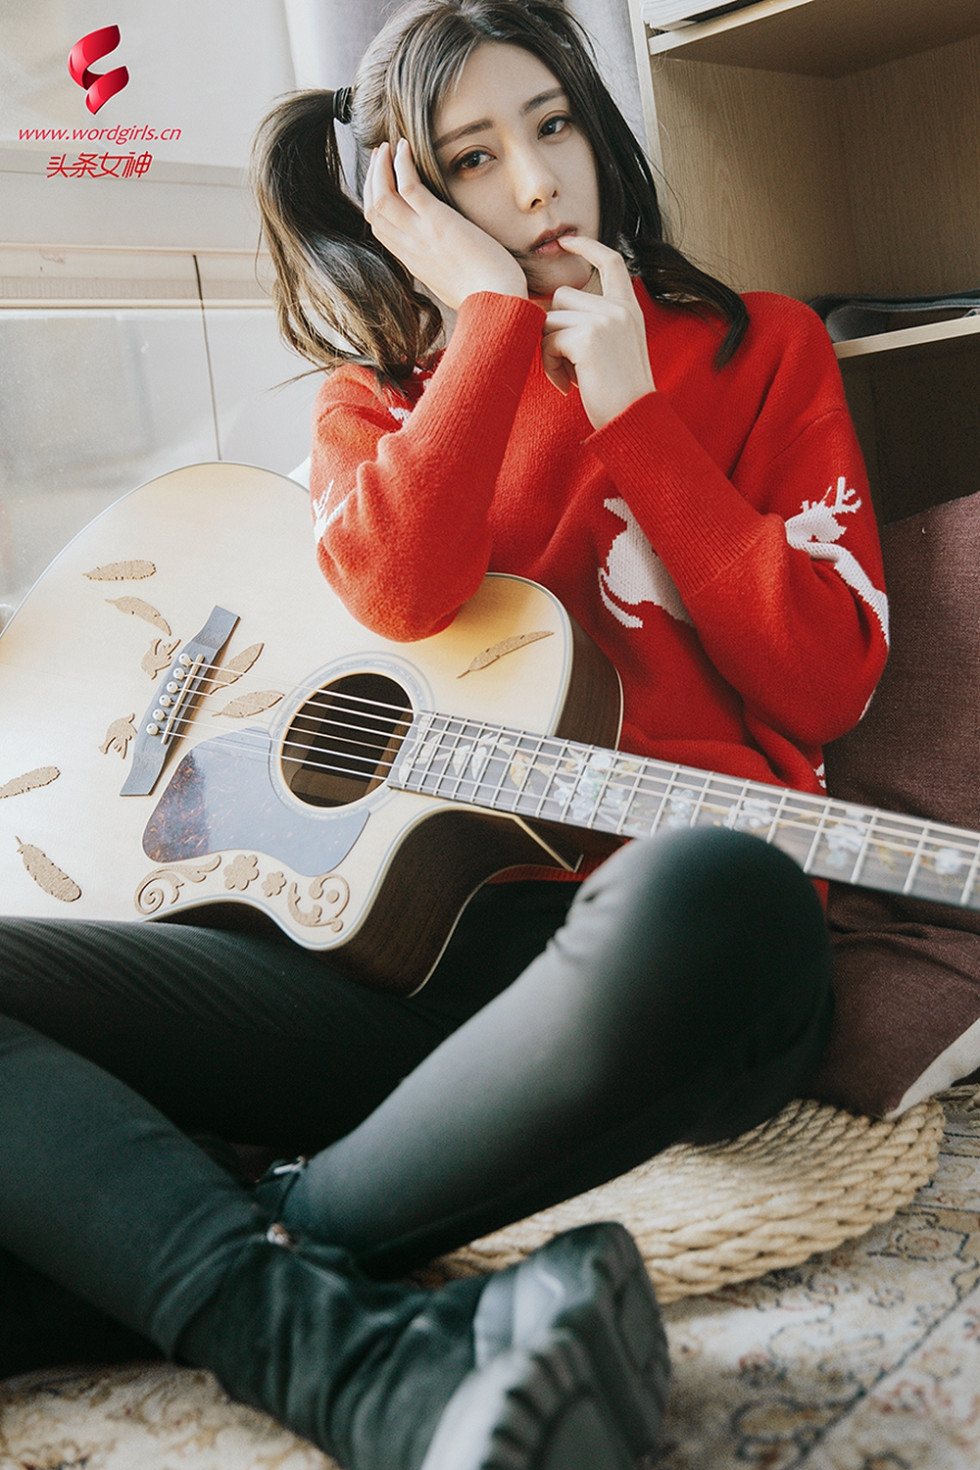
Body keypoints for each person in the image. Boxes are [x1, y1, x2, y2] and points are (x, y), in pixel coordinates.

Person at [0, 1, 888, 1466]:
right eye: (474, 160)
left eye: (551, 126)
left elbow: (829, 679)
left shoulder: (763, 348)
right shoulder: (380, 409)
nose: (537, 186)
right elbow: (401, 586)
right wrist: (485, 326)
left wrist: (634, 415)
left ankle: (219, 1228)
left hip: (646, 944)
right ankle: (313, 1331)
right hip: (375, 970)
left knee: (721, 889)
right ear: (412, 203)